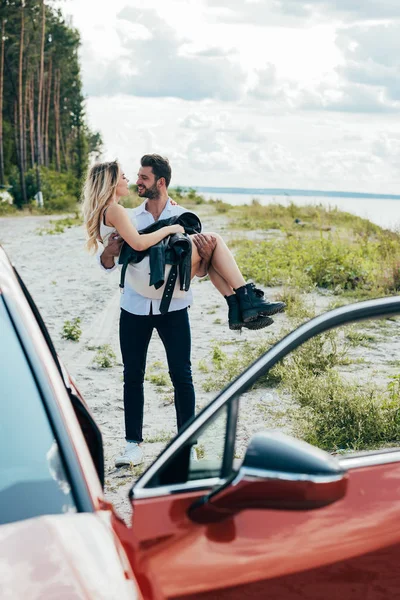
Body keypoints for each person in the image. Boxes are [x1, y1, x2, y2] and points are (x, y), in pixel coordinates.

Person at [82, 155, 285, 466]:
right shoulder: (128, 216)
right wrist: (110, 251)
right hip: (134, 305)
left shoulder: (184, 216)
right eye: (134, 176)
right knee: (132, 376)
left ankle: (184, 443)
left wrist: (202, 257)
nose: (138, 181)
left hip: (174, 305)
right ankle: (132, 445)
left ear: (160, 183)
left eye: (144, 178)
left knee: (182, 375)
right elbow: (106, 264)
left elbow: (198, 271)